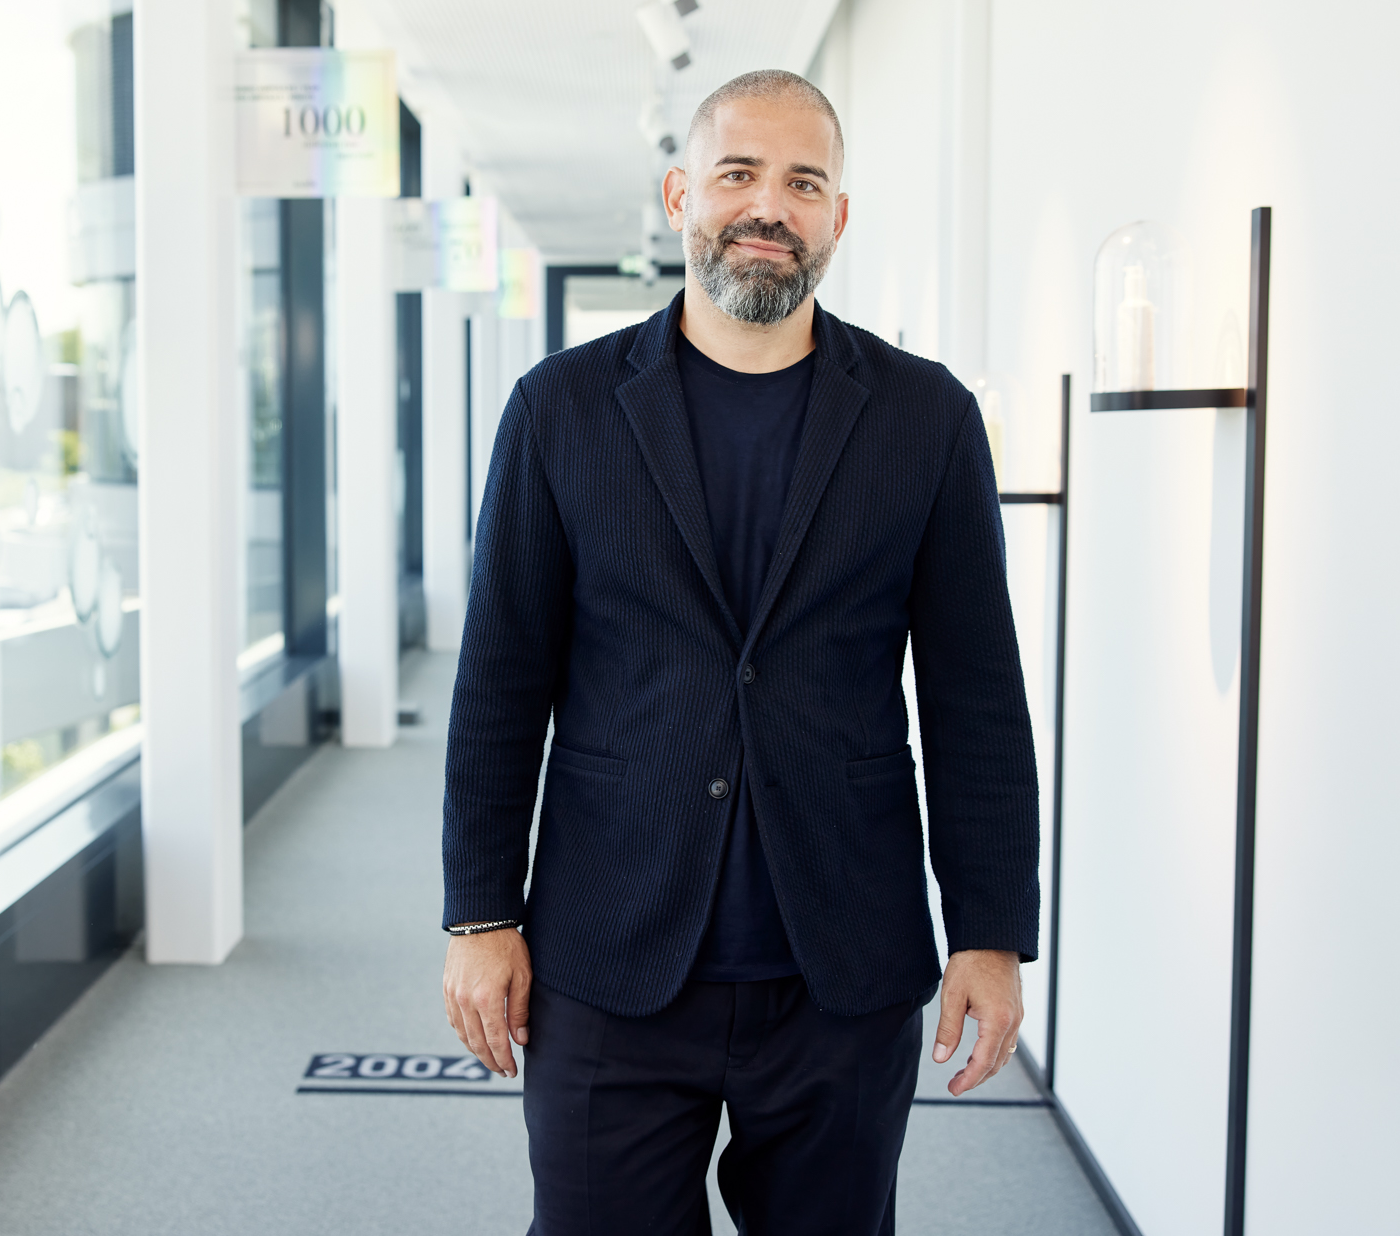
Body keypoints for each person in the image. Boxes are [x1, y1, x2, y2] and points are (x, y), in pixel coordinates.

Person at [440, 69, 1039, 1235]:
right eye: (737, 174)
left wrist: (989, 929)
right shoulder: (560, 409)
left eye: (802, 183)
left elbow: (975, 696)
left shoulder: (924, 417)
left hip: (840, 961)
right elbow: (498, 682)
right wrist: (478, 913)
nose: (768, 205)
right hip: (608, 947)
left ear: (836, 216)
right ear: (680, 196)